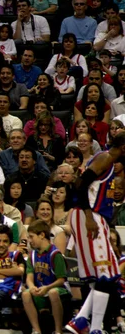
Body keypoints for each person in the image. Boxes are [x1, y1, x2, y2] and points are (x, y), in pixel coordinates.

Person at [66, 131, 125, 334]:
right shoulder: (105, 158)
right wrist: (89, 217)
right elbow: (79, 186)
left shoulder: (112, 164)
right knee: (105, 274)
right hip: (88, 216)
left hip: (94, 218)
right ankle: (95, 327)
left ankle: (81, 320)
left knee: (105, 275)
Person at [22, 220, 70, 334]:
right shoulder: (33, 255)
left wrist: (47, 288)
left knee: (53, 292)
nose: (29, 240)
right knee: (25, 293)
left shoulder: (55, 254)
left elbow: (61, 280)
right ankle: (37, 330)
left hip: (59, 290)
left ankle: (58, 331)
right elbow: (29, 277)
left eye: (31, 237)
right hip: (40, 290)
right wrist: (32, 286)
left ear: (42, 235)